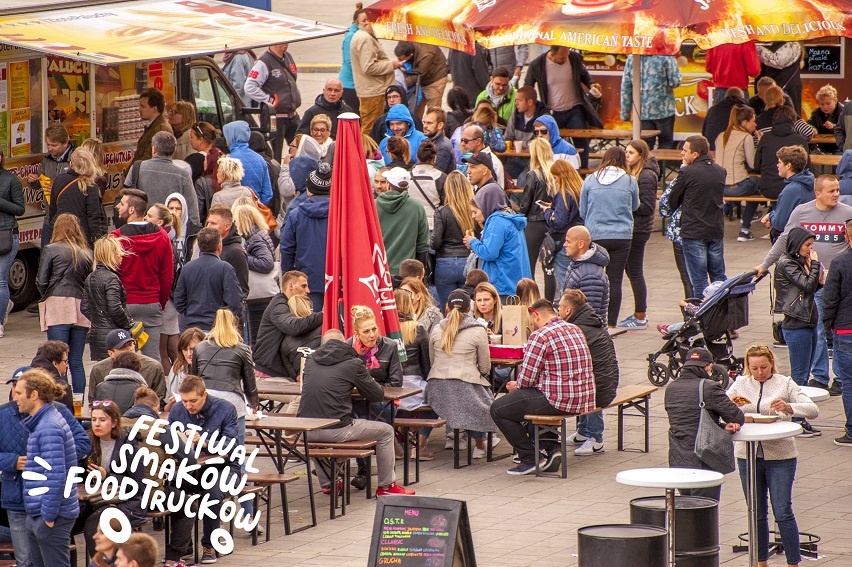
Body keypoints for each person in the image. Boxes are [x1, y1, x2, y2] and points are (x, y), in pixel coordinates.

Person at [756, 175, 850, 395]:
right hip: (813, 282)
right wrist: (764, 265)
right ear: (817, 193)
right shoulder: (802, 212)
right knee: (817, 329)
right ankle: (819, 376)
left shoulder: (847, 213)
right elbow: (784, 239)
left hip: (841, 282)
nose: (836, 194)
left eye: (837, 190)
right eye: (831, 191)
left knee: (839, 329)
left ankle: (840, 378)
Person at [727, 344, 818, 567]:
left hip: (780, 455)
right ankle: (760, 561)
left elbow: (813, 409)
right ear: (747, 367)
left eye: (764, 367)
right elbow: (723, 404)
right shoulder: (740, 384)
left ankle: (793, 562)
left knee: (782, 510)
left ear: (772, 364)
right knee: (755, 511)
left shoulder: (785, 383)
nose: (760, 372)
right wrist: (730, 417)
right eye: (754, 368)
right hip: (747, 455)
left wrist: (789, 407)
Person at [299, 328, 413, 495]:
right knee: (387, 431)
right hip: (336, 429)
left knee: (319, 443)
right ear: (344, 341)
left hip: (305, 430)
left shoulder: (310, 361)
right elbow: (377, 394)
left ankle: (329, 483)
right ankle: (387, 486)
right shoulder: (352, 363)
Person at [491, 299, 596, 474]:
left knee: (498, 408)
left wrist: (514, 386)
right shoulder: (574, 328)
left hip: (560, 399)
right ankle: (552, 448)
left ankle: (530, 458)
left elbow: (526, 379)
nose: (532, 324)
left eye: (531, 320)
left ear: (536, 314)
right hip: (584, 397)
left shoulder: (540, 335)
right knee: (531, 398)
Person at [0, 365, 89, 567]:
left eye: (20, 392)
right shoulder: (42, 422)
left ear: (34, 395)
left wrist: (47, 517)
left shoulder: (49, 426)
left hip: (50, 516)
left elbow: (56, 475)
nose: (15, 397)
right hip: (37, 512)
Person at [165, 375, 239, 565]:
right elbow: (169, 441)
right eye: (185, 401)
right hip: (191, 467)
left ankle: (209, 544)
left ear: (204, 395)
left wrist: (205, 442)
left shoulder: (225, 409)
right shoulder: (177, 409)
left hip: (225, 466)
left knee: (212, 492)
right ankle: (183, 545)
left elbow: (230, 446)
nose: (188, 405)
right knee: (175, 490)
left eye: (193, 401)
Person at [665, 348, 744, 500]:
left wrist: (720, 426)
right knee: (704, 510)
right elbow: (736, 417)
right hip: (704, 458)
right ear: (708, 367)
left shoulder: (671, 388)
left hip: (678, 459)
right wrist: (723, 425)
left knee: (687, 509)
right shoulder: (709, 387)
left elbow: (686, 423)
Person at [426, 290, 497, 459]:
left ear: (448, 308)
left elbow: (432, 360)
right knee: (484, 405)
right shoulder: (478, 330)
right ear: (469, 308)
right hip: (465, 383)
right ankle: (479, 446)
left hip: (436, 385)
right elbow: (485, 366)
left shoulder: (437, 329)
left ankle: (421, 445)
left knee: (440, 403)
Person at [580, 147, 639, 328]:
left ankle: (592, 320)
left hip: (596, 234)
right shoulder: (630, 181)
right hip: (622, 236)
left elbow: (583, 210)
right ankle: (612, 323)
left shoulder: (590, 180)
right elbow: (635, 206)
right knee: (615, 279)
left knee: (592, 278)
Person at [113, 188, 174, 361]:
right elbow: (167, 277)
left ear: (131, 210)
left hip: (124, 305)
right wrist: (160, 303)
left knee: (123, 356)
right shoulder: (162, 237)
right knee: (153, 358)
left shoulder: (116, 238)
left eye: (122, 203)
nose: (118, 206)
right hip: (151, 303)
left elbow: (112, 276)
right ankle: (152, 388)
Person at [773, 227, 823, 438]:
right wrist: (816, 265)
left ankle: (799, 418)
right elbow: (807, 286)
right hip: (796, 323)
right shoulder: (786, 264)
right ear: (797, 244)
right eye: (807, 245)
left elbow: (814, 288)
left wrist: (814, 271)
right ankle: (796, 419)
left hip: (807, 321)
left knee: (804, 372)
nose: (810, 249)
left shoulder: (799, 262)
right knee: (799, 376)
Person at [346, 306, 403, 490]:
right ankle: (362, 468)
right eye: (366, 331)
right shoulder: (348, 348)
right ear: (357, 333)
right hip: (357, 400)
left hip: (383, 400)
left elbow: (396, 382)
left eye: (374, 329)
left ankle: (367, 471)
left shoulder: (390, 346)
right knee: (355, 414)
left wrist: (370, 387)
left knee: (361, 416)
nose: (372, 335)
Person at [81, 399, 146, 555]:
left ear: (115, 422)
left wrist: (107, 476)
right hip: (95, 499)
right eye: (94, 419)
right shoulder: (88, 441)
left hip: (127, 501)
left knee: (95, 524)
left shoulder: (128, 445)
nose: (96, 424)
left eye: (102, 420)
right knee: (64, 519)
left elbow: (137, 485)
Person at [36, 213, 93, 393]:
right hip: (81, 307)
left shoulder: (51, 249)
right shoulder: (86, 253)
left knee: (58, 359)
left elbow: (41, 280)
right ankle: (78, 402)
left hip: (58, 306)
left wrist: (46, 295)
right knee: (76, 361)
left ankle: (63, 401)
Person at [559, 289, 620, 455]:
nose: (558, 311)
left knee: (587, 386)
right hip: (607, 378)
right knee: (586, 381)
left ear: (568, 310)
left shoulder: (578, 329)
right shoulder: (589, 321)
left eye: (559, 307)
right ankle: (584, 431)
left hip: (601, 385)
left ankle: (596, 438)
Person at [524, 46, 602, 169]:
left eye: (567, 55)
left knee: (582, 143)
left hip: (574, 108)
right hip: (552, 111)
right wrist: (532, 107)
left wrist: (591, 84)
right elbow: (528, 86)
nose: (566, 59)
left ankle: (582, 174)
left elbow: (584, 74)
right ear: (552, 54)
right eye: (562, 57)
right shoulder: (537, 64)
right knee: (548, 141)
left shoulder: (573, 58)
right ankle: (550, 170)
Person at [669, 135, 727, 298]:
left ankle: (704, 317)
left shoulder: (687, 172)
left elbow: (673, 200)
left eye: (685, 150)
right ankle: (722, 315)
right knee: (719, 278)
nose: (682, 153)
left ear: (695, 154)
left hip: (694, 232)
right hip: (715, 230)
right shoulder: (720, 171)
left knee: (699, 279)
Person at [194, 308, 257, 457]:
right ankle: (240, 477)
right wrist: (253, 403)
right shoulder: (242, 349)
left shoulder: (200, 347)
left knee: (205, 445)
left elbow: (195, 379)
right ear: (234, 325)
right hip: (232, 400)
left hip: (206, 398)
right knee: (236, 448)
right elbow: (250, 382)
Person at [614, 139, 658, 329]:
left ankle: (640, 315)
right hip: (631, 227)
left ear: (641, 155)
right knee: (631, 271)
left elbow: (648, 207)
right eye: (626, 152)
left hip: (638, 229)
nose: (627, 156)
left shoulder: (647, 176)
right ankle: (639, 314)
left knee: (635, 271)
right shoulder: (631, 173)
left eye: (631, 153)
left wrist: (625, 204)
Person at [464, 180, 531, 299]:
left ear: (486, 205)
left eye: (475, 212)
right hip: (515, 283)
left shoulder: (497, 222)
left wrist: (473, 242)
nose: (473, 216)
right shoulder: (508, 217)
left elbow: (489, 253)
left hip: (502, 285)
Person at [280, 163, 331, 312]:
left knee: (309, 327)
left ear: (308, 190)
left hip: (306, 284)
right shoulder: (342, 216)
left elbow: (287, 250)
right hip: (337, 282)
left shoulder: (295, 215)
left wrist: (288, 280)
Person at [124, 131, 200, 229]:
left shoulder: (137, 168)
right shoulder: (183, 175)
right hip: (171, 232)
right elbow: (192, 210)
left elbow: (125, 198)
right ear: (173, 151)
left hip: (141, 229)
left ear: (153, 149)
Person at [254, 270, 322, 378]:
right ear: (291, 286)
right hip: (269, 373)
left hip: (277, 371)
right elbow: (293, 327)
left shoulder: (282, 304)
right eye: (303, 286)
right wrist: (323, 315)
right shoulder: (278, 306)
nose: (308, 291)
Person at [174, 227, 243, 332]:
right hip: (218, 329)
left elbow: (179, 301)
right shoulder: (225, 268)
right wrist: (225, 321)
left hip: (193, 328)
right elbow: (235, 302)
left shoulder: (187, 268)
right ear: (219, 246)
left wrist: (191, 313)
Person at [393, 289, 434, 457]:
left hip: (393, 386)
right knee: (436, 400)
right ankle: (419, 446)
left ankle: (398, 439)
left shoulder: (383, 329)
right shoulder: (417, 329)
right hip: (415, 383)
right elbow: (426, 364)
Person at [244, 43, 301, 161]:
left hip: (292, 115)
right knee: (275, 155)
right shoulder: (263, 62)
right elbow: (249, 87)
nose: (285, 44)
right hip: (276, 117)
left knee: (300, 148)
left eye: (287, 41)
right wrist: (268, 100)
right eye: (282, 41)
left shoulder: (288, 57)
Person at [823, 220, 852, 446]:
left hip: (845, 329)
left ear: (847, 238)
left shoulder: (840, 263)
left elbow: (830, 299)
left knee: (849, 382)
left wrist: (827, 326)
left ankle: (851, 430)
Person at [88, 328, 167, 407]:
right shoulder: (98, 370)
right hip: (108, 415)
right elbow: (93, 402)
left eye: (130, 344)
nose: (129, 349)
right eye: (123, 347)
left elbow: (158, 401)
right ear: (111, 353)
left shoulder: (153, 367)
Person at [432, 171, 476, 309]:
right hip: (469, 261)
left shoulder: (442, 211)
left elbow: (436, 242)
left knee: (447, 307)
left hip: (445, 263)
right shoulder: (474, 210)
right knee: (468, 307)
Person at [716, 105, 760, 241]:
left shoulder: (721, 135)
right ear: (745, 123)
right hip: (737, 186)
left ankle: (729, 206)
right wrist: (759, 142)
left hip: (719, 186)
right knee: (758, 184)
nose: (755, 124)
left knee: (751, 182)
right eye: (753, 121)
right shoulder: (746, 137)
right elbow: (753, 164)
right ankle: (745, 229)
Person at [350, 13, 400, 134]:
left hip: (371, 90)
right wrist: (391, 65)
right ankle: (365, 152)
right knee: (370, 129)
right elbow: (369, 67)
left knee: (371, 127)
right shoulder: (365, 39)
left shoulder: (364, 36)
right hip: (373, 91)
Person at [48, 147, 107, 247]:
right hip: (83, 240)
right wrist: (97, 242)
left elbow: (52, 211)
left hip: (61, 236)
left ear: (71, 164)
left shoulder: (59, 180)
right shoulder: (91, 186)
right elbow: (94, 218)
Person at [620, 55, 682, 149]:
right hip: (664, 110)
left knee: (645, 146)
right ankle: (663, 164)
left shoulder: (632, 58)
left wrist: (625, 113)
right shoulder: (666, 57)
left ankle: (646, 164)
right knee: (665, 143)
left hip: (642, 111)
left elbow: (626, 87)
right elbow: (675, 82)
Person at [233, 203, 275, 343]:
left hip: (259, 297)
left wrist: (244, 257)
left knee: (255, 339)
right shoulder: (260, 234)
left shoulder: (255, 239)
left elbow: (266, 263)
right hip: (264, 296)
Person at [376, 167, 430, 275]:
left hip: (379, 272)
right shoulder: (417, 208)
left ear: (388, 185)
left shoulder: (372, 206)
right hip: (407, 274)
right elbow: (423, 245)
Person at [28, 124, 73, 249]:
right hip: (49, 218)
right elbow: (39, 183)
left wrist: (57, 187)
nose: (50, 148)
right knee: (46, 257)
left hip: (68, 219)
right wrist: (33, 181)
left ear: (65, 143)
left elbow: (81, 185)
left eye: (54, 145)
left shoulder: (75, 159)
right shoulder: (46, 160)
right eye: (48, 144)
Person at [755, 106, 811, 204]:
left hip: (769, 188)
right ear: (793, 121)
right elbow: (807, 167)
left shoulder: (765, 139)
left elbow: (756, 165)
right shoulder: (800, 140)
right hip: (793, 189)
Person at [544, 160, 583, 298]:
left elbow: (558, 222)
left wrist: (548, 211)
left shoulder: (563, 194)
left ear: (561, 176)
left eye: (555, 177)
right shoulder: (579, 190)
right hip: (578, 238)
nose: (555, 181)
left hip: (562, 241)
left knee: (564, 282)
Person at [519, 138, 556, 284]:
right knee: (549, 268)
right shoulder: (555, 173)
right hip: (551, 222)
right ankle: (550, 302)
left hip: (534, 223)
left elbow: (526, 202)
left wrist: (519, 216)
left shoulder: (534, 175)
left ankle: (532, 300)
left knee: (529, 267)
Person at [761, 145, 814, 241]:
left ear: (788, 166)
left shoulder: (791, 190)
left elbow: (780, 223)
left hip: (793, 239)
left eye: (780, 162)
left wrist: (770, 215)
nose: (777, 165)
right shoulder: (810, 182)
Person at [561, 226, 610, 323]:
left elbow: (590, 315)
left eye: (568, 241)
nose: (564, 245)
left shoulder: (590, 275)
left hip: (586, 335)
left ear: (580, 244)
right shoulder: (577, 264)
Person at [0, 147, 23, 337]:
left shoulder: (11, 180)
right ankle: (4, 304)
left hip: (6, 234)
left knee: (0, 279)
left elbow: (19, 209)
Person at [222, 121, 272, 206]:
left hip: (235, 211)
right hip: (255, 211)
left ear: (232, 137)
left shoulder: (228, 161)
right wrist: (257, 206)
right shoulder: (260, 159)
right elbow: (268, 193)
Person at [659, 177, 694, 299]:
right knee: (711, 276)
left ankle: (693, 312)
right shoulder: (717, 174)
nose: (681, 156)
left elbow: (665, 206)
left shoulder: (682, 178)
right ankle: (711, 313)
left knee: (687, 277)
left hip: (683, 230)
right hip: (711, 230)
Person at [205, 204, 250, 297]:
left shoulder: (236, 253)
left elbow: (241, 290)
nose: (208, 226)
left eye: (213, 223)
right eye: (208, 222)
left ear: (227, 226)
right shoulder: (206, 247)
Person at [394, 41, 448, 118]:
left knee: (433, 111)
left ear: (410, 55)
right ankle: (416, 125)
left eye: (402, 59)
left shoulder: (427, 54)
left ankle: (433, 128)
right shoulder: (405, 43)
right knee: (416, 108)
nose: (399, 60)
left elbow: (419, 74)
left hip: (435, 79)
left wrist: (403, 83)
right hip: (421, 80)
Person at [504, 86, 548, 178]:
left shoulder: (543, 117)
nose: (516, 103)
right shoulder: (515, 114)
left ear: (530, 102)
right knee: (502, 174)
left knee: (523, 179)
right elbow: (508, 137)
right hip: (517, 158)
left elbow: (540, 143)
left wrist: (520, 144)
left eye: (519, 101)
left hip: (536, 160)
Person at [705, 41, 761, 105]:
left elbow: (708, 67)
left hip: (720, 91)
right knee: (741, 114)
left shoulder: (715, 39)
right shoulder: (745, 41)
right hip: (740, 91)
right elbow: (754, 71)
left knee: (719, 114)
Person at [129, 88, 172, 167]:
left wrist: (131, 174)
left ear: (154, 109)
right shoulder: (153, 126)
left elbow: (149, 157)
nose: (139, 109)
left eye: (143, 106)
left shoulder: (161, 128)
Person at [757, 41, 803, 114]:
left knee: (788, 114)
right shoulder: (772, 43)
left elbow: (777, 61)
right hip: (776, 86)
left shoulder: (793, 45)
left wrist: (758, 49)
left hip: (787, 88)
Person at [409, 140, 446, 230]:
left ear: (417, 157)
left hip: (412, 223)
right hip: (433, 224)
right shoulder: (441, 177)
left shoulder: (408, 176)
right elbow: (445, 203)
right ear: (435, 158)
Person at [30, 340, 74, 410]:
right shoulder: (61, 387)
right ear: (55, 363)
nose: (67, 365)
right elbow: (67, 416)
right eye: (65, 361)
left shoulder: (20, 381)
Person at [165, 327, 205, 399]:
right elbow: (166, 406)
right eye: (185, 350)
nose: (189, 354)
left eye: (193, 349)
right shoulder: (177, 369)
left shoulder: (210, 369)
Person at [339, 6, 363, 113]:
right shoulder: (351, 36)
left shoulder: (360, 34)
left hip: (356, 83)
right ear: (356, 21)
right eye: (364, 20)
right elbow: (350, 62)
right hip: (350, 84)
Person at [809, 84, 843, 154]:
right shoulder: (816, 113)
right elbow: (809, 124)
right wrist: (812, 129)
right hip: (820, 146)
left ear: (835, 101)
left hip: (839, 147)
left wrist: (834, 127)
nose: (825, 107)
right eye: (822, 104)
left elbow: (847, 129)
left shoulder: (843, 112)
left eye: (828, 103)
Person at [421, 108, 455, 175]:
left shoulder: (443, 147)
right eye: (424, 122)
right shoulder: (427, 141)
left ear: (440, 125)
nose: (425, 126)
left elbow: (435, 175)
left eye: (429, 123)